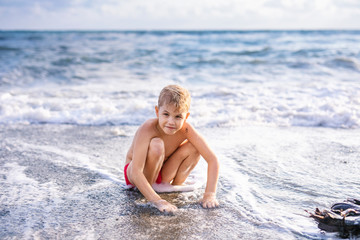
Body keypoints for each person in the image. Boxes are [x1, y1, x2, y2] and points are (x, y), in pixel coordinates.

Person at [124, 85, 219, 213]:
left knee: (194, 147)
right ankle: (149, 191)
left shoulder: (186, 129)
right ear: (157, 112)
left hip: (162, 173)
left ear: (186, 117)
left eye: (178, 116)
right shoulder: (147, 129)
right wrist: (158, 201)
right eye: (166, 114)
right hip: (137, 174)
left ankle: (174, 188)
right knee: (156, 144)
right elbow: (136, 171)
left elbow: (213, 160)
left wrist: (209, 194)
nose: (171, 122)